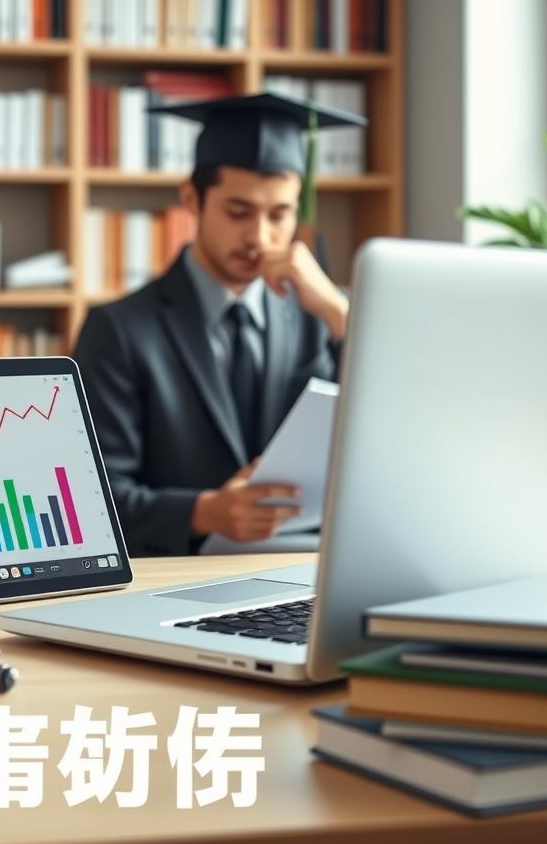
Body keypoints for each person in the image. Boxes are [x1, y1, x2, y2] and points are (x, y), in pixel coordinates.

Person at [73, 92, 365, 556]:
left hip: (303, 570)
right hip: (171, 579)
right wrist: (203, 511)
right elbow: (92, 499)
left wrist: (339, 310)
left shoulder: (321, 318)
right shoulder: (120, 330)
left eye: (280, 214)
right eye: (238, 212)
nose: (259, 237)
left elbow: (389, 434)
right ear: (192, 198)